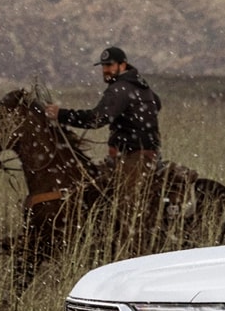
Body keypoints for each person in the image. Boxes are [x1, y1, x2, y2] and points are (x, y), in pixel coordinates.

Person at [46, 46, 163, 252]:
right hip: (140, 156)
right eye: (103, 67)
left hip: (134, 159)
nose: (105, 71)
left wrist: (60, 114)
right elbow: (157, 104)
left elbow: (96, 119)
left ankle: (131, 256)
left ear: (122, 65)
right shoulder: (142, 85)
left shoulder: (121, 88)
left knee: (126, 211)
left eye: (109, 66)